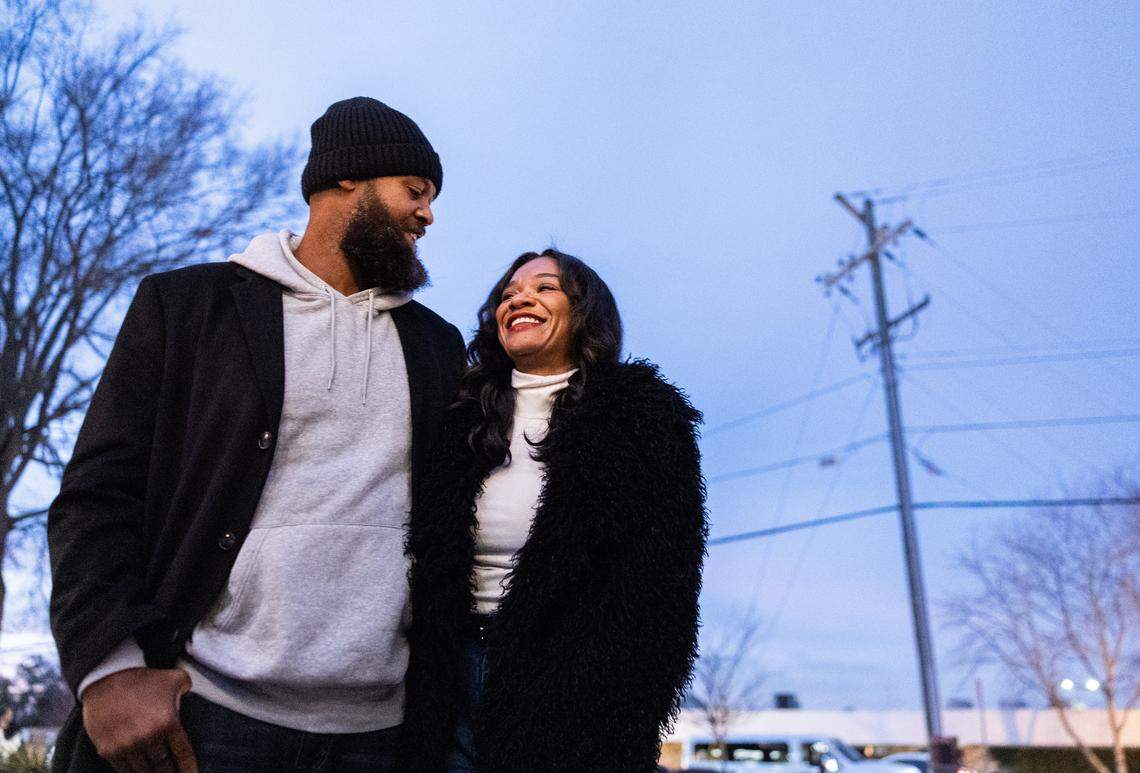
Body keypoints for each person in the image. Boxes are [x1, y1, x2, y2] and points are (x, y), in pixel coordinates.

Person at [47, 97, 465, 773]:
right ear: (346, 180)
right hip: (204, 716)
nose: (429, 214)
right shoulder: (187, 308)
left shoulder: (437, 346)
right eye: (415, 191)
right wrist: (110, 666)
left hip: (381, 734)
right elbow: (99, 494)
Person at [402, 249, 707, 772]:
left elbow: (666, 589)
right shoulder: (459, 415)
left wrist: (622, 716)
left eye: (545, 287)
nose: (519, 298)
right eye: (508, 293)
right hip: (446, 677)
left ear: (586, 311)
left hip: (570, 687)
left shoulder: (641, 420)